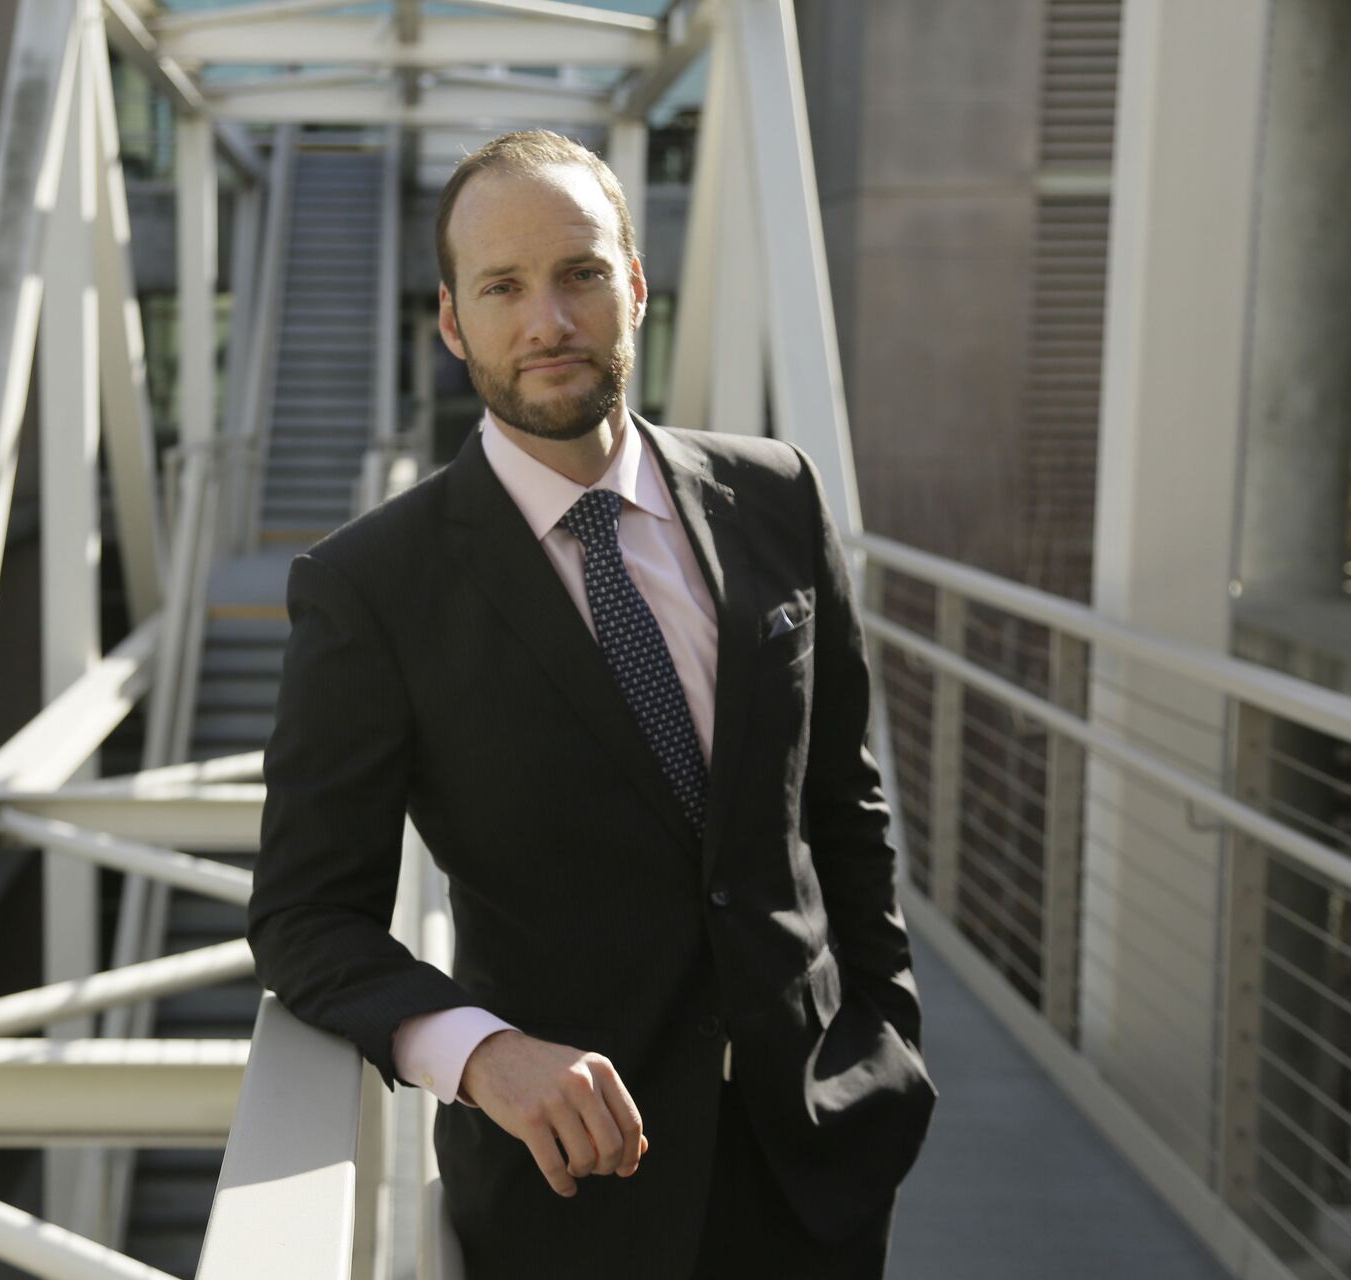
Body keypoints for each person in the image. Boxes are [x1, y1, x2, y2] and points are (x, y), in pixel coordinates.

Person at [247, 129, 935, 1278]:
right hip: (574, 1205)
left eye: (579, 274)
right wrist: (479, 1053)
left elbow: (841, 801)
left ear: (637, 285)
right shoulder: (372, 588)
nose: (548, 323)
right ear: (453, 321)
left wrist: (889, 1034)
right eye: (504, 288)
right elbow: (307, 914)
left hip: (823, 1155)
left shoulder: (777, 494)